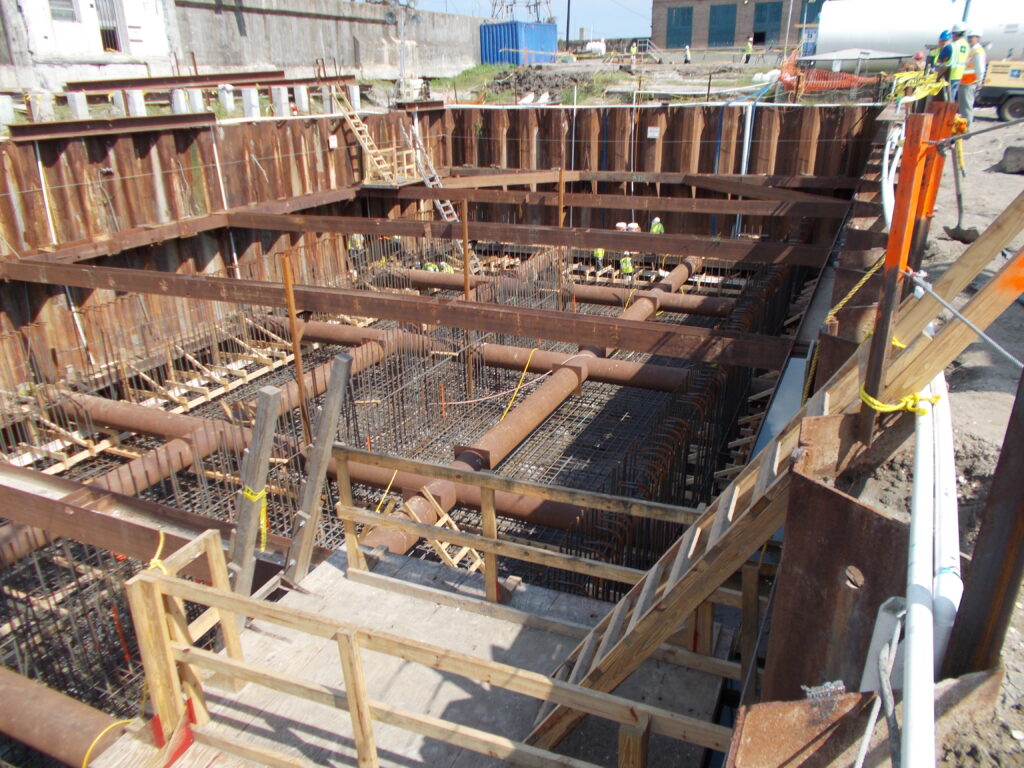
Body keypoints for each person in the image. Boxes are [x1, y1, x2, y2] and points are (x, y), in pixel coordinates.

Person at [959, 28, 987, 127]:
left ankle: (966, 129)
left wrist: (980, 82)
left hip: (970, 82)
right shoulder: (971, 49)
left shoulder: (978, 51)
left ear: (978, 38)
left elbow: (980, 68)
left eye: (972, 37)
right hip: (964, 82)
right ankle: (962, 127)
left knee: (966, 107)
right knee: (963, 107)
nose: (970, 39)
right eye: (969, 37)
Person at [947, 22, 970, 100]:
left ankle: (950, 111)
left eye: (953, 33)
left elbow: (944, 60)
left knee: (949, 96)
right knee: (954, 95)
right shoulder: (967, 45)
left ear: (956, 33)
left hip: (951, 74)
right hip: (961, 74)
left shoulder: (953, 45)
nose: (952, 36)